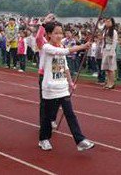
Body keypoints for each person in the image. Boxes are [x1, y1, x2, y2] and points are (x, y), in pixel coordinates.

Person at [38, 21, 94, 151]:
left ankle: (80, 141)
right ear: (49, 34)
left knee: (70, 114)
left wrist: (70, 82)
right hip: (49, 88)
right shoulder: (47, 48)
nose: (59, 35)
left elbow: (65, 67)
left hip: (62, 88)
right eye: (56, 33)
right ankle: (43, 139)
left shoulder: (61, 47)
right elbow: (65, 51)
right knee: (48, 116)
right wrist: (83, 46)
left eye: (60, 33)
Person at [101, 18, 118, 89]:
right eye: (106, 21)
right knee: (107, 68)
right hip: (105, 50)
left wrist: (111, 52)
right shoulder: (105, 31)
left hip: (110, 50)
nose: (107, 22)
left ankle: (112, 83)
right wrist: (102, 50)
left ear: (112, 22)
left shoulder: (114, 32)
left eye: (109, 21)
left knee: (111, 68)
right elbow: (103, 41)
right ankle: (108, 82)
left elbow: (114, 42)